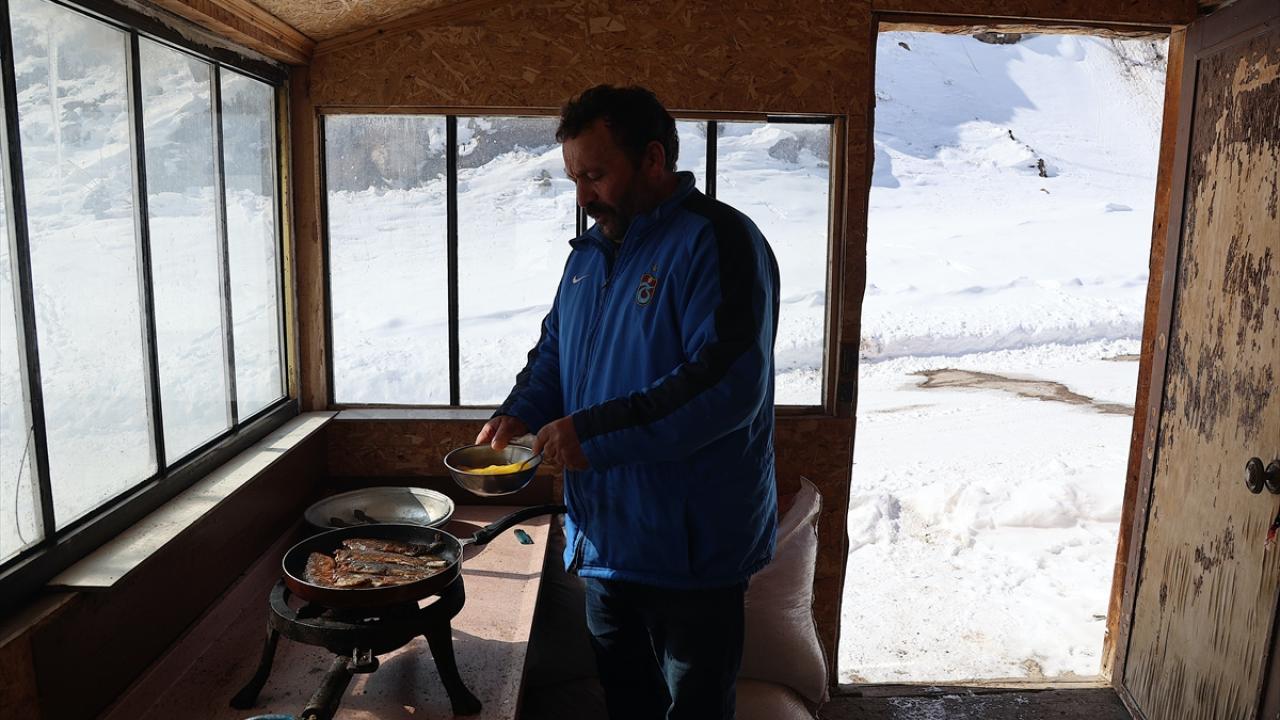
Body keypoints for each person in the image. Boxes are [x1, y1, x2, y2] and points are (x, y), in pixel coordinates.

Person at [476, 84, 780, 720]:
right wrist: (519, 412)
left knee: (694, 709)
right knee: (627, 704)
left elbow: (725, 383)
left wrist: (592, 434)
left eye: (595, 175)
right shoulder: (586, 259)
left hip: (691, 550)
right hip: (607, 542)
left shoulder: (718, 241)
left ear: (652, 160)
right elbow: (554, 355)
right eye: (574, 179)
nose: (583, 197)